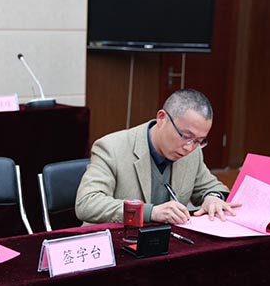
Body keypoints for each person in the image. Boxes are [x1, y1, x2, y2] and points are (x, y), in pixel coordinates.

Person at [75, 88, 240, 225]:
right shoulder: (112, 147)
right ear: (161, 118)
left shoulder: (193, 152)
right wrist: (150, 212)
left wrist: (213, 197)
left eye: (199, 141)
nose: (189, 147)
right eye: (185, 136)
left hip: (166, 244)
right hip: (116, 242)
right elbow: (87, 203)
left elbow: (211, 187)